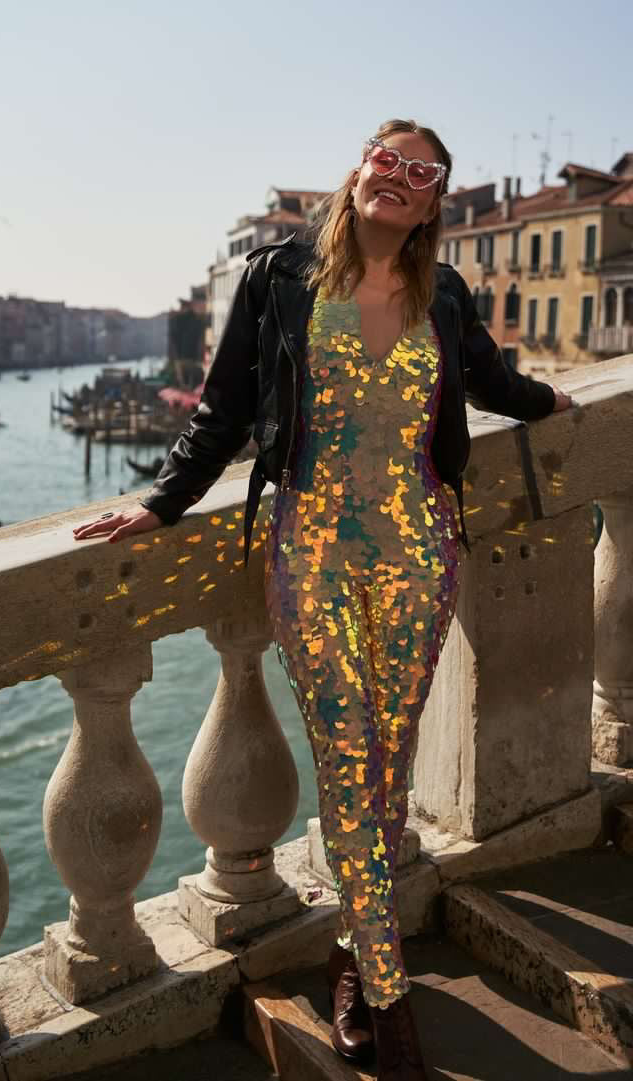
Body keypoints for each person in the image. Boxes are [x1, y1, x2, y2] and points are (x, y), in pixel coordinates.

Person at [73, 118, 572, 1080]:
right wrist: (160, 503)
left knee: (382, 778)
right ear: (359, 170)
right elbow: (223, 410)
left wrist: (546, 398)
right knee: (352, 772)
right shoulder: (279, 277)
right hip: (313, 555)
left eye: (421, 172)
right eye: (387, 159)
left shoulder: (446, 290)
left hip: (422, 554)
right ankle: (391, 1013)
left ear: (432, 203)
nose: (399, 177)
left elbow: (491, 379)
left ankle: (351, 950)